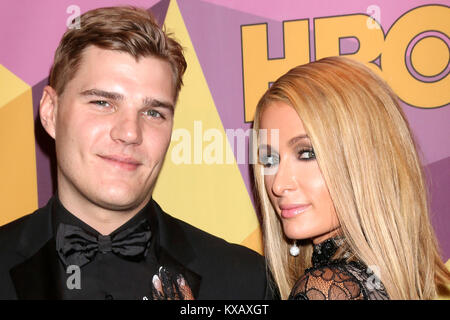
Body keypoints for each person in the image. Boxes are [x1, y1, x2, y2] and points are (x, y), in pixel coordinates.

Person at [0, 6, 272, 300]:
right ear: (51, 112)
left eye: (153, 112)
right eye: (103, 103)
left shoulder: (245, 282)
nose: (130, 133)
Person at [251, 56, 450, 300]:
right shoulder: (374, 283)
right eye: (270, 160)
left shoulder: (325, 289)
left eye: (306, 153)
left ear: (363, 160)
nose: (279, 185)